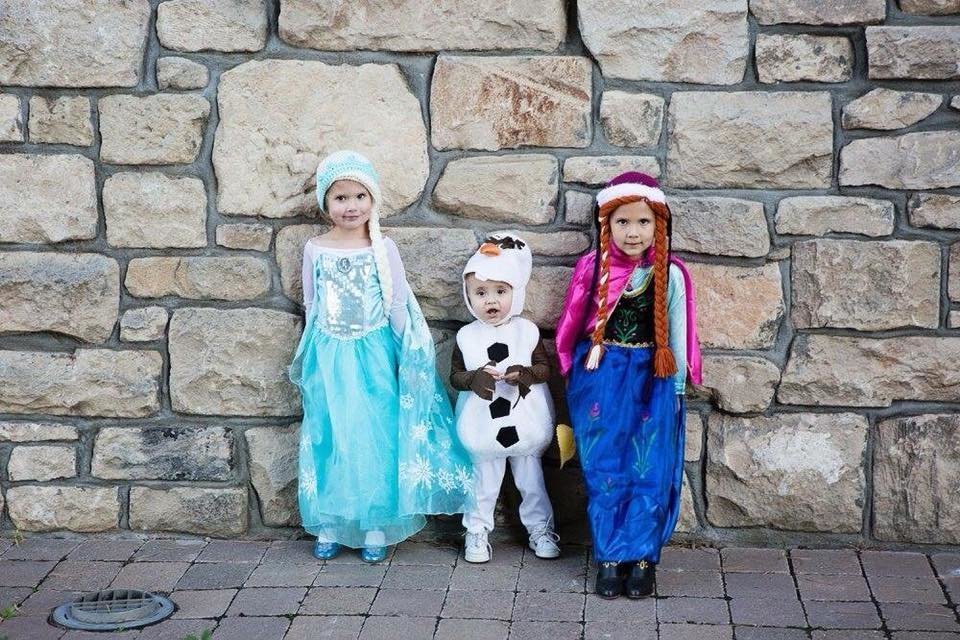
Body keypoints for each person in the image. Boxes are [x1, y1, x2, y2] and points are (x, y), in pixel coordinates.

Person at [289, 150, 473, 563]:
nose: (350, 206)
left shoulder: (382, 247)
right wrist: (312, 352)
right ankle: (331, 521)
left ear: (372, 200)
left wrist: (406, 351)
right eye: (340, 198)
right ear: (325, 204)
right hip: (330, 355)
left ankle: (375, 522)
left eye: (359, 196)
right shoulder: (316, 249)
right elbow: (312, 302)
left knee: (375, 435)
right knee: (333, 434)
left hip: (373, 354)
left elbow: (395, 302)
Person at [555, 171, 702, 598]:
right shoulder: (593, 269)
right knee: (605, 469)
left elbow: (677, 332)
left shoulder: (669, 275)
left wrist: (675, 390)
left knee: (649, 469)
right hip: (602, 377)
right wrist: (576, 375)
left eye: (643, 222)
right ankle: (608, 558)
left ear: (659, 224)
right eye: (622, 222)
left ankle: (641, 559)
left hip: (651, 380)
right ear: (606, 225)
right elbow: (571, 325)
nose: (633, 232)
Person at [449, 233, 560, 564]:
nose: (491, 300)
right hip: (484, 426)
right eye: (480, 293)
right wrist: (475, 378)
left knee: (532, 484)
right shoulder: (467, 337)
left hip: (524, 423)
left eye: (500, 291)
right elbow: (455, 377)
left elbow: (544, 368)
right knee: (483, 484)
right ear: (469, 298)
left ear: (516, 292)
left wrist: (524, 373)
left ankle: (540, 529)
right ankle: (477, 531)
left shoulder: (526, 332)